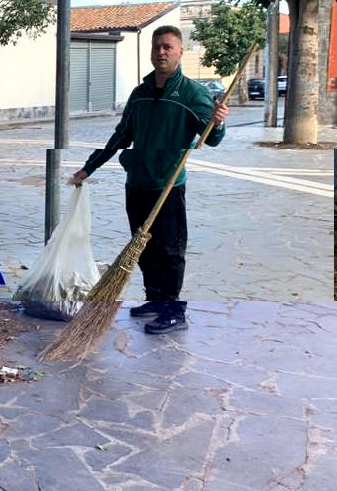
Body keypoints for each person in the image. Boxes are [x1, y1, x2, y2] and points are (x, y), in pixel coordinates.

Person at [71, 25, 230, 335]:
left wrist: (218, 123)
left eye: (168, 47)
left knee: (170, 250)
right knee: (142, 247)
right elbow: (122, 135)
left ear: (180, 51)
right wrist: (90, 168)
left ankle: (173, 308)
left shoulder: (192, 93)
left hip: (168, 185)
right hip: (138, 182)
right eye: (157, 46)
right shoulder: (140, 93)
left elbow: (211, 140)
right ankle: (155, 299)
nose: (161, 52)